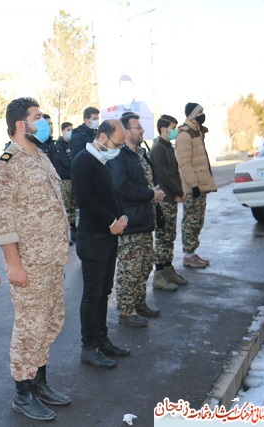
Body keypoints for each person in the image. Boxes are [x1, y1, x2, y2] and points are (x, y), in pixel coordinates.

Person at [0, 97, 71, 421]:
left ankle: (39, 383)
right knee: (29, 329)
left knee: (51, 321)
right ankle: (23, 394)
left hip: (52, 258)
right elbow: (2, 221)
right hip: (30, 263)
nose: (44, 121)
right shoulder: (7, 164)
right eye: (38, 117)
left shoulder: (41, 156)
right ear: (21, 124)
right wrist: (14, 265)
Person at [71, 119, 131, 369]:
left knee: (104, 292)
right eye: (118, 144)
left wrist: (121, 216)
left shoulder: (103, 160)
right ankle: (89, 347)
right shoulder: (82, 161)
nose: (119, 149)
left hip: (107, 236)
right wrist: (110, 221)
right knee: (92, 294)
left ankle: (102, 340)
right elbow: (86, 200)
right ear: (103, 137)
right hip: (93, 238)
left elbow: (111, 194)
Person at [110, 113, 166, 331]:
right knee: (130, 269)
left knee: (144, 266)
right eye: (138, 127)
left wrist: (156, 191)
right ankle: (126, 311)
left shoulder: (141, 153)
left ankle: (139, 303)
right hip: (130, 222)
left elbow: (150, 179)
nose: (142, 131)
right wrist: (150, 194)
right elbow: (122, 187)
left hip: (146, 218)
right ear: (126, 132)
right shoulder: (119, 156)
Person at [175, 103, 217, 268]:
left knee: (198, 220)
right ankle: (188, 255)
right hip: (194, 187)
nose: (202, 115)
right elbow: (184, 163)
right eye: (200, 112)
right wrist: (193, 185)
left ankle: (192, 252)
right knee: (191, 221)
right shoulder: (185, 134)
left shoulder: (197, 132)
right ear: (192, 114)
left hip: (201, 185)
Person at [150, 115, 189, 288]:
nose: (175, 131)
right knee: (163, 236)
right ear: (163, 129)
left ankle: (167, 268)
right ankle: (159, 274)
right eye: (173, 128)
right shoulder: (158, 148)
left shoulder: (167, 147)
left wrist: (180, 191)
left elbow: (175, 173)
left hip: (171, 198)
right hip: (164, 199)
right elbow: (164, 176)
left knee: (170, 236)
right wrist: (179, 191)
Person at [53, 121, 77, 244]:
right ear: (62, 131)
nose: (70, 132)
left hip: (74, 178)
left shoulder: (73, 144)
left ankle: (74, 232)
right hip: (65, 180)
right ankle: (67, 235)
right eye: (68, 129)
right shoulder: (60, 145)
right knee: (67, 208)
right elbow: (66, 162)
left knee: (74, 207)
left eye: (71, 129)